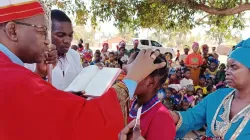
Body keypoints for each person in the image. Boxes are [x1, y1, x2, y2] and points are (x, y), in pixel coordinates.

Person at [0, 1, 166, 140]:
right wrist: (133, 77)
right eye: (43, 31)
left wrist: (40, 76)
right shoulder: (12, 77)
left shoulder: (14, 71)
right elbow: (84, 122)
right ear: (12, 31)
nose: (46, 41)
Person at [170, 38, 250, 139]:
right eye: (227, 67)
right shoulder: (218, 96)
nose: (227, 71)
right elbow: (192, 117)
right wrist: (172, 116)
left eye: (233, 67)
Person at [24, 9, 83, 90]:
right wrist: (40, 73)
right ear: (46, 33)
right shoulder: (30, 60)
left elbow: (82, 83)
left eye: (70, 35)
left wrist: (94, 71)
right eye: (60, 35)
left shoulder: (74, 56)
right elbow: (26, 91)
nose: (67, 40)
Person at [128, 52, 176, 140]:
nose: (126, 77)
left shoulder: (161, 118)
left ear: (151, 82)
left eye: (132, 73)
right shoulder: (128, 104)